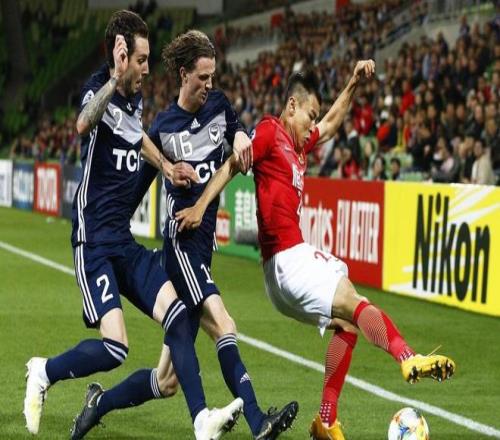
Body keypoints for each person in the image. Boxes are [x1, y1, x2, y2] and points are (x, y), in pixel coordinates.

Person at [176, 62, 456, 440]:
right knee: (353, 298)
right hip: (288, 259)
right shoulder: (270, 131)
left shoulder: (298, 142)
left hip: (282, 274)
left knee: (347, 323)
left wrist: (352, 82)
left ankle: (326, 420)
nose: (313, 125)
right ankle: (408, 357)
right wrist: (199, 207)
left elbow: (332, 123)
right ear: (291, 105)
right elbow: (231, 166)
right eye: (310, 115)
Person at [24, 12, 242, 440]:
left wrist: (167, 167)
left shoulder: (134, 99)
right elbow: (84, 122)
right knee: (116, 347)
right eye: (140, 60)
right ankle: (44, 371)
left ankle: (201, 420)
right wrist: (113, 77)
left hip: (123, 240)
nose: (146, 70)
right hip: (93, 241)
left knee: (178, 314)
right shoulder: (99, 87)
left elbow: (136, 134)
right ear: (120, 56)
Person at [71, 30, 298, 440]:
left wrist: (241, 134)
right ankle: (257, 421)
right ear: (183, 74)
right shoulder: (162, 128)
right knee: (224, 324)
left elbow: (237, 132)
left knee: (166, 381)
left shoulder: (219, 105)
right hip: (181, 248)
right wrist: (107, 232)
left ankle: (97, 405)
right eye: (203, 77)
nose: (209, 84)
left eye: (213, 77)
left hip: (203, 250)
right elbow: (136, 189)